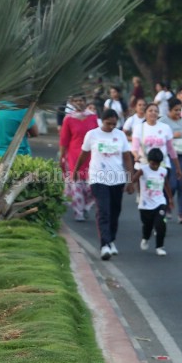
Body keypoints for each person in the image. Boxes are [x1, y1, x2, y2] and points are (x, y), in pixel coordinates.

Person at [76, 109, 134, 260]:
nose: (111, 127)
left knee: (115, 212)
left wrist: (130, 180)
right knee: (103, 211)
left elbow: (127, 158)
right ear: (102, 121)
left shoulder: (120, 135)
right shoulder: (92, 135)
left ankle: (111, 240)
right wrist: (76, 170)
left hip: (117, 179)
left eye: (114, 124)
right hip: (98, 178)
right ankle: (104, 245)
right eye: (108, 123)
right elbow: (84, 154)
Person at [59, 95, 97, 222]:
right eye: (76, 100)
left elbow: (98, 135)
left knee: (91, 186)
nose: (79, 102)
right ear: (72, 103)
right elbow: (64, 141)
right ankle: (79, 212)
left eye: (81, 100)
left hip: (91, 156)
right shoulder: (68, 119)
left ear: (85, 102)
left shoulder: (92, 117)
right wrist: (62, 157)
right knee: (77, 185)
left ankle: (87, 206)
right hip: (74, 155)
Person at [130, 148, 173, 256]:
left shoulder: (163, 171)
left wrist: (171, 199)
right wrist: (129, 186)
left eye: (157, 164)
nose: (155, 166)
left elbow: (166, 185)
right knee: (147, 225)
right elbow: (134, 179)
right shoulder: (143, 170)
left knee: (160, 225)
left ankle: (160, 246)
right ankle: (145, 237)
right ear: (149, 161)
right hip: (145, 205)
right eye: (153, 164)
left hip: (160, 202)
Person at [131, 104, 182, 190]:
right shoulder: (139, 128)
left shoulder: (165, 128)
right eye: (150, 111)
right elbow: (134, 147)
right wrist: (136, 156)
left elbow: (171, 149)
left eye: (156, 111)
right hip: (144, 164)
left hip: (162, 165)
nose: (153, 113)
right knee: (146, 193)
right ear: (145, 113)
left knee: (161, 193)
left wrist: (178, 167)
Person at [161, 98, 182, 224]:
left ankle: (181, 213)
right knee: (172, 184)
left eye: (180, 110)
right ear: (169, 110)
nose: (178, 112)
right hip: (170, 157)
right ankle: (167, 208)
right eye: (175, 110)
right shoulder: (163, 122)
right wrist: (174, 136)